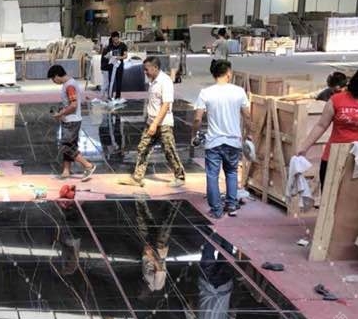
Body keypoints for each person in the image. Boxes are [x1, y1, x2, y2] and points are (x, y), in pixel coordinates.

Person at [191, 59, 251, 219]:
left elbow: (197, 119)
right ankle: (231, 205)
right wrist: (249, 134)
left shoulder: (206, 93)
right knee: (231, 172)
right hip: (233, 141)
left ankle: (216, 210)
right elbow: (247, 116)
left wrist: (194, 135)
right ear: (228, 73)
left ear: (214, 74)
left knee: (212, 175)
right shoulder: (239, 92)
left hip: (214, 142)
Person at [119, 56, 186, 188]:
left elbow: (166, 105)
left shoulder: (165, 81)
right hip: (151, 122)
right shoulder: (153, 81)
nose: (145, 72)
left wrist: (155, 124)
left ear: (155, 67)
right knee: (143, 148)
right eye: (144, 69)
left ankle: (180, 176)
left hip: (163, 123)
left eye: (147, 69)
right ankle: (138, 177)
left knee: (169, 150)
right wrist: (150, 121)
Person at [296, 70, 358, 188]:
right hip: (333, 158)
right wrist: (304, 147)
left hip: (355, 163)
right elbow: (321, 125)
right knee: (328, 195)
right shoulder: (336, 100)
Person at [47, 64, 96, 181]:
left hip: (71, 121)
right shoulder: (69, 83)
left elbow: (73, 105)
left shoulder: (69, 86)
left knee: (66, 147)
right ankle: (66, 170)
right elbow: (70, 103)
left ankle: (88, 165)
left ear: (57, 75)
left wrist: (60, 114)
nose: (54, 82)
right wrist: (62, 111)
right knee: (70, 145)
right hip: (70, 119)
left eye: (53, 79)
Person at [281, 71, 348, 103]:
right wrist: (282, 98)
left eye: (330, 86)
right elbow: (304, 96)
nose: (330, 88)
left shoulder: (350, 95)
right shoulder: (325, 92)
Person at [103, 31, 128, 104]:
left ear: (118, 38)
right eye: (114, 40)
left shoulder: (123, 45)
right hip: (111, 66)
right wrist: (108, 56)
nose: (115, 41)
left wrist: (119, 57)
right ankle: (110, 96)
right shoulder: (110, 46)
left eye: (116, 39)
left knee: (119, 81)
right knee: (110, 81)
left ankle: (118, 96)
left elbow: (125, 56)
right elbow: (106, 56)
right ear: (112, 39)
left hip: (119, 65)